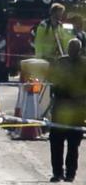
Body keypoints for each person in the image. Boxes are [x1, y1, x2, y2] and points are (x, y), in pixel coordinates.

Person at [48, 38, 86, 182]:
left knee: (73, 146)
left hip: (76, 112)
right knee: (56, 143)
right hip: (60, 109)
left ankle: (70, 173)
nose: (72, 52)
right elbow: (54, 84)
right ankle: (57, 172)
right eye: (70, 48)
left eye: (74, 49)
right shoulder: (61, 63)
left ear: (79, 50)